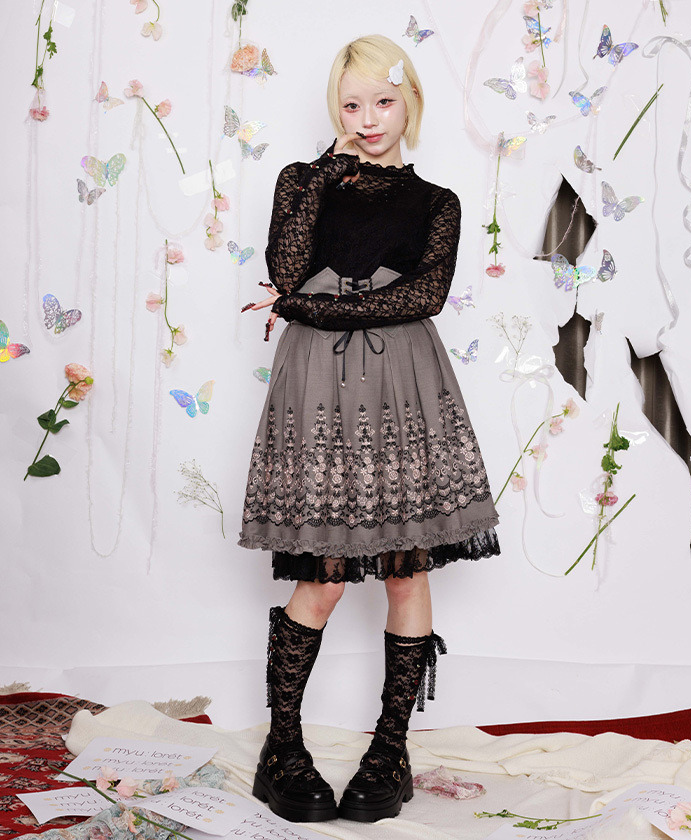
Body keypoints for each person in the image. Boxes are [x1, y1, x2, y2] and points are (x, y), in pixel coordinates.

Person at [238, 34, 500, 823]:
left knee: (406, 572)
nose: (369, 117)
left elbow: (421, 297)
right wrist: (323, 177)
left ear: (408, 101)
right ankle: (283, 750)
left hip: (403, 381)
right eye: (351, 104)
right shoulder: (301, 181)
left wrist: (309, 309)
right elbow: (286, 268)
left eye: (383, 100)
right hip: (317, 384)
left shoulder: (438, 202)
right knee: (320, 574)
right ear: (337, 110)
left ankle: (390, 752)